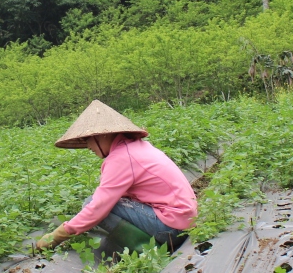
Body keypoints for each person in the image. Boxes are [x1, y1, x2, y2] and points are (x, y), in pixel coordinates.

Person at [36, 100, 198, 253]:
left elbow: (98, 207)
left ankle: (147, 250)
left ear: (103, 135)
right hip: (184, 221)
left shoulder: (122, 158)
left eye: (89, 140)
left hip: (172, 229)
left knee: (92, 204)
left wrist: (57, 236)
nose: (88, 147)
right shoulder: (135, 148)